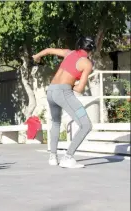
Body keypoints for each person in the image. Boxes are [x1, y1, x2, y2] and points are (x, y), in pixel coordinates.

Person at [32, 36, 96, 168]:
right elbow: (80, 89)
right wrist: (71, 85)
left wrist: (36, 56)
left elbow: (49, 50)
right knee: (86, 125)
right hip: (63, 92)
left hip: (50, 91)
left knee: (55, 123)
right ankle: (68, 157)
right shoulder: (87, 63)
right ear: (91, 49)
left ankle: (53, 157)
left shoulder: (69, 53)